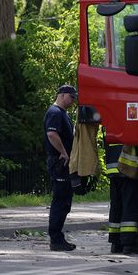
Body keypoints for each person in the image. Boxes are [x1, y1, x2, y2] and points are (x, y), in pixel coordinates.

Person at [44, 85, 78, 251]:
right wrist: (63, 152)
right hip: (59, 163)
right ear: (63, 95)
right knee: (60, 201)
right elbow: (51, 134)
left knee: (65, 202)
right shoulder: (55, 113)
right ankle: (56, 239)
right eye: (71, 98)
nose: (73, 102)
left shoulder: (62, 113)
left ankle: (58, 238)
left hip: (64, 164)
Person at [106, 144, 138, 255]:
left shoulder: (110, 125)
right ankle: (129, 243)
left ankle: (115, 242)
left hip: (112, 166)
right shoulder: (131, 124)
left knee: (116, 204)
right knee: (131, 204)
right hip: (128, 166)